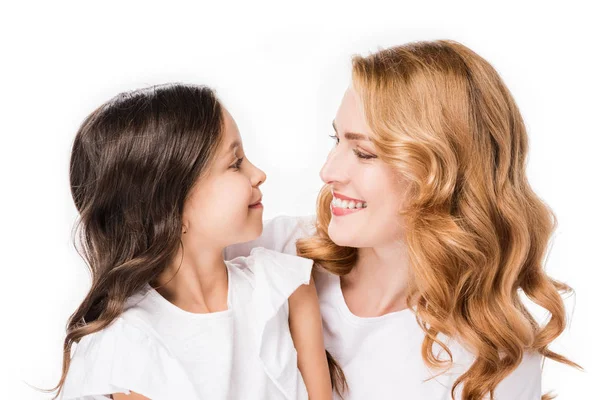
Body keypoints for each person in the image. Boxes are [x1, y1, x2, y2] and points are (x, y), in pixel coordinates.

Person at [224, 40, 580, 400]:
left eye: (364, 153)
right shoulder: (276, 253)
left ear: (444, 176)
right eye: (336, 139)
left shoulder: (493, 361)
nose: (328, 171)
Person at [52, 83, 332, 400]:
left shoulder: (285, 288)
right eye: (235, 163)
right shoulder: (129, 347)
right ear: (170, 204)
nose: (259, 174)